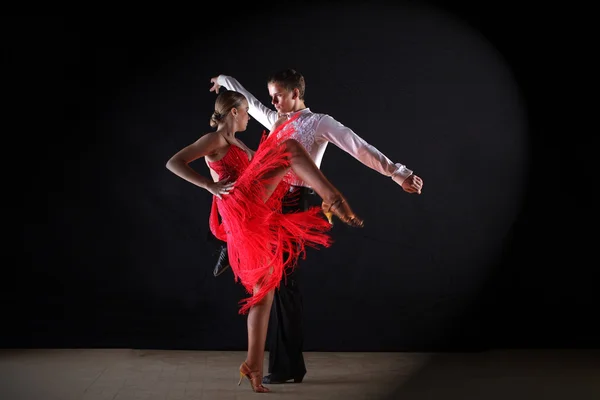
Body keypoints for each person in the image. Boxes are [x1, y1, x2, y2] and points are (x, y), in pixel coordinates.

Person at [209, 69, 424, 385]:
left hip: (294, 205)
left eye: (279, 95)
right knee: (271, 282)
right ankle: (232, 240)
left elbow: (358, 146)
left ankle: (286, 366)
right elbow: (251, 103)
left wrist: (398, 172)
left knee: (285, 287)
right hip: (265, 205)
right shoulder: (277, 119)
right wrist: (224, 80)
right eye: (271, 96)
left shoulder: (319, 122)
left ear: (296, 93)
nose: (273, 101)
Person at [166, 90, 363, 393]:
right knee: (291, 149)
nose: (248, 115)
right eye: (245, 111)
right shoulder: (215, 140)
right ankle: (333, 199)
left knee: (265, 290)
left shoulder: (238, 143)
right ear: (233, 112)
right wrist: (209, 185)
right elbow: (174, 162)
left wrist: (223, 81)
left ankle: (253, 365)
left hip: (254, 210)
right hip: (241, 205)